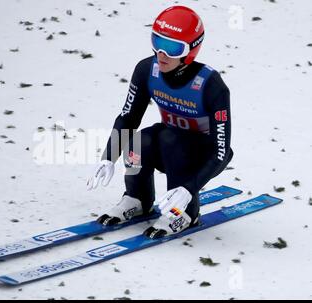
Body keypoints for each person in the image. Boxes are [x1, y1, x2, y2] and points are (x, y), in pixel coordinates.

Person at [86, 5, 233, 239]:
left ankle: (185, 212)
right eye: (157, 42)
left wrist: (189, 188)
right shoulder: (147, 70)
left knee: (170, 140)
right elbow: (128, 117)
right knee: (138, 141)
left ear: (190, 50)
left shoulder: (211, 86)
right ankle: (137, 197)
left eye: (173, 48)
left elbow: (222, 152)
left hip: (202, 156)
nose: (161, 54)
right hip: (171, 144)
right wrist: (108, 157)